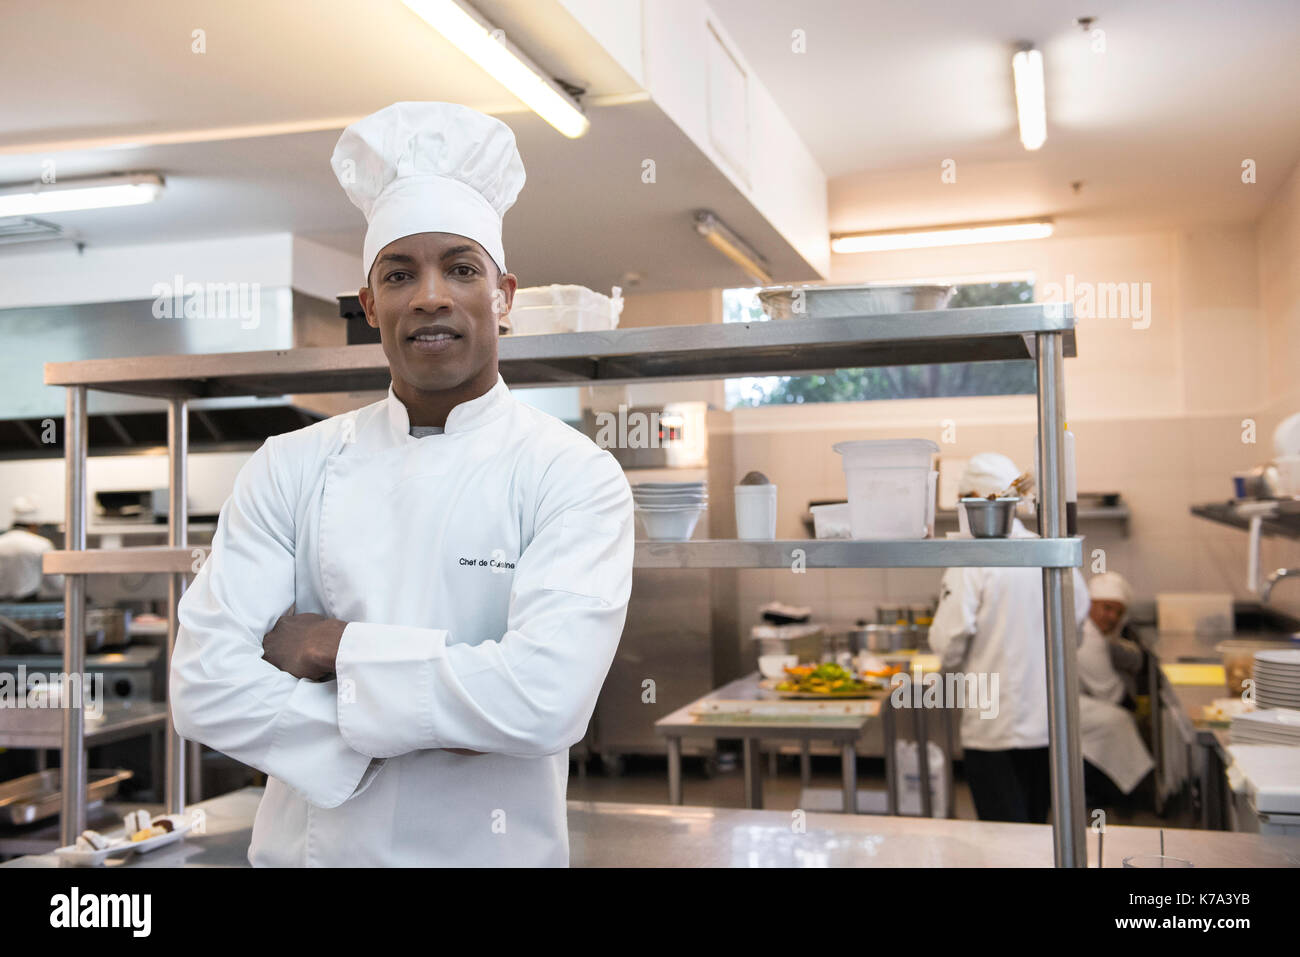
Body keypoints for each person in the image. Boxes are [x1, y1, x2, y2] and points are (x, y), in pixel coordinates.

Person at [170, 102, 635, 867]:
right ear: (369, 305)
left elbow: (545, 699)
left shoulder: (572, 473)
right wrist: (408, 718)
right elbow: (204, 687)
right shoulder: (290, 465)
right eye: (398, 273)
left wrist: (334, 644)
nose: (429, 296)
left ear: (504, 295)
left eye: (460, 267)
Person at [928, 453, 1090, 823]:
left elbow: (948, 644)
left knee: (1002, 838)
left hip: (992, 730)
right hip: (1048, 727)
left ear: (970, 500)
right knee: (1035, 832)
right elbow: (1077, 628)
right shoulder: (1048, 551)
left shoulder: (971, 558)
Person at [1077, 571, 1153, 806]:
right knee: (1117, 720)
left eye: (1118, 612)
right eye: (1106, 608)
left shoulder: (1094, 630)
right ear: (1090, 604)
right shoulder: (1088, 635)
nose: (1112, 617)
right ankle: (1117, 789)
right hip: (1060, 705)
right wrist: (1140, 709)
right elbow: (1111, 693)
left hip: (1079, 699)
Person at [0, 497, 63, 600]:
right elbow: (57, 582)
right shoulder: (42, 545)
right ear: (34, 525)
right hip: (28, 604)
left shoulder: (1, 542)